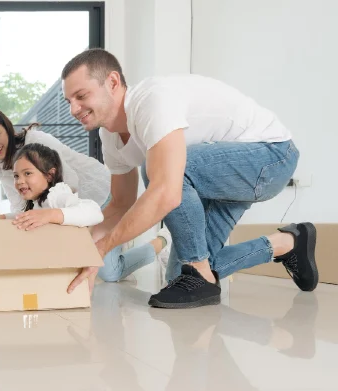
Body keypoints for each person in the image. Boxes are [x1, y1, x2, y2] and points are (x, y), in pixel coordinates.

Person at [62, 48, 318, 308]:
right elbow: (119, 203)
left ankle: (199, 272)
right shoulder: (110, 137)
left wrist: (103, 247)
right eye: (68, 101)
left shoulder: (150, 100)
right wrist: (81, 246)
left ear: (113, 82)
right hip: (216, 177)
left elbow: (167, 191)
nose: (73, 108)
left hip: (270, 156)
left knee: (162, 171)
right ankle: (288, 243)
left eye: (81, 96)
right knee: (180, 277)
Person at [0, 106, 172, 283]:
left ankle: (162, 241)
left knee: (110, 272)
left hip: (98, 194)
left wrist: (51, 215)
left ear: (7, 128)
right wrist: (3, 219)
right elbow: (21, 205)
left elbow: (70, 183)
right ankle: (115, 244)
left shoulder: (35, 143)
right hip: (68, 208)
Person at [9, 143, 103, 230]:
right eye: (16, 176)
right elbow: (24, 216)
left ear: (50, 175)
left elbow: (95, 212)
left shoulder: (56, 196)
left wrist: (49, 215)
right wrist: (1, 218)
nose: (19, 181)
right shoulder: (37, 202)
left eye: (27, 173)